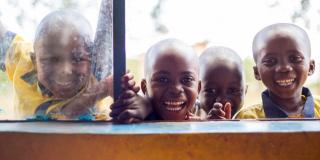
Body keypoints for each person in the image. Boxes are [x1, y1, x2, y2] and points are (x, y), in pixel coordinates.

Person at [0, 10, 135, 120]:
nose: (65, 71)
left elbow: (68, 116)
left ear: (92, 60)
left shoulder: (97, 76)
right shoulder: (22, 60)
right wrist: (102, 89)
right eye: (52, 59)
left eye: (77, 59)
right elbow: (58, 116)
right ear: (34, 60)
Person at [234, 23, 320, 119]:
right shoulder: (248, 119)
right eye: (270, 61)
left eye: (295, 58)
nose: (284, 68)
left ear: (311, 67)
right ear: (257, 72)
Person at [110, 39, 201, 121]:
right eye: (163, 79)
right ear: (144, 87)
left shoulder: (203, 124)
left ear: (198, 88)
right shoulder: (137, 117)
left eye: (187, 79)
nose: (176, 89)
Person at [198, 46, 247, 119]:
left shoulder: (250, 122)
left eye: (233, 90)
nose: (223, 100)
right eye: (211, 91)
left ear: (245, 91)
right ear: (197, 90)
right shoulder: (188, 124)